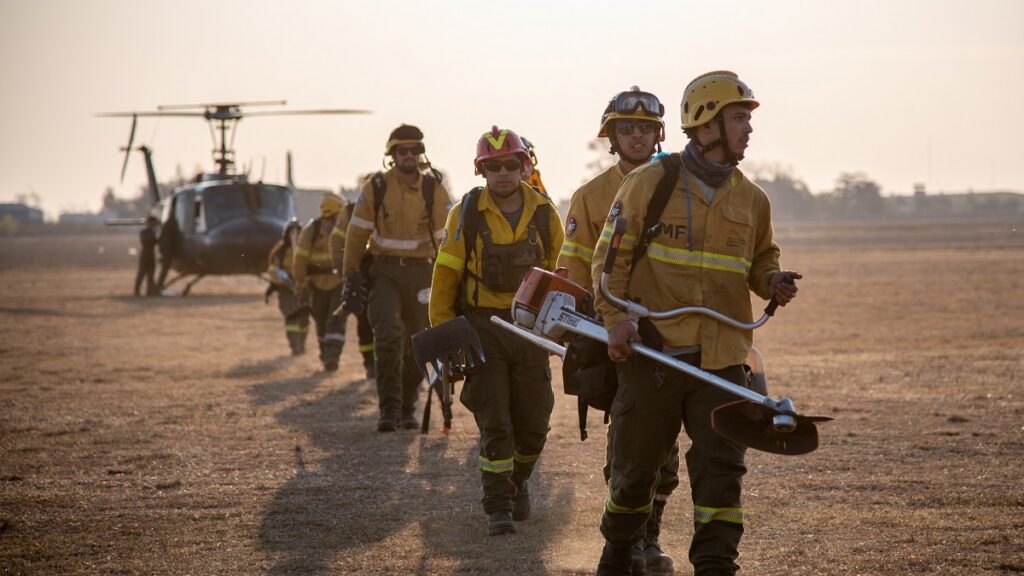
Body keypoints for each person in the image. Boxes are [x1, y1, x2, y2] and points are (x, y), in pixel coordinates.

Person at [591, 71, 801, 575]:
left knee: (722, 473)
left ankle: (715, 566)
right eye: (738, 118)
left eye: (748, 119)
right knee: (635, 473)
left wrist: (771, 280)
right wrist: (616, 322)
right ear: (705, 124)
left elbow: (760, 257)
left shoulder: (753, 199)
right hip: (655, 355)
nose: (748, 129)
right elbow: (607, 263)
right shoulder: (649, 183)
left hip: (724, 360)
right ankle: (619, 554)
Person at [557, 86, 678, 575]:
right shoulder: (590, 197)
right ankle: (629, 544)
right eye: (626, 128)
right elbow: (570, 268)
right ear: (611, 136)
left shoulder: (685, 185)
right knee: (633, 443)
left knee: (666, 446)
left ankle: (649, 535)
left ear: (659, 134)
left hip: (674, 330)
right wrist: (586, 328)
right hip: (618, 333)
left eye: (645, 128)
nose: (636, 136)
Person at [429, 126, 565, 537]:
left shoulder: (544, 212)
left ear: (525, 166)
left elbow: (565, 271)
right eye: (493, 167)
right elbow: (446, 276)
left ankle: (518, 480)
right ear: (481, 171)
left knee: (535, 421)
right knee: (496, 422)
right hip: (482, 327)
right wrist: (444, 334)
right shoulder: (464, 213)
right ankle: (498, 506)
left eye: (510, 164)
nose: (503, 173)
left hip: (529, 330)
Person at [342, 124, 452, 432]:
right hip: (384, 273)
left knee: (419, 342)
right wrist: (349, 273)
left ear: (421, 154)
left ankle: (407, 407)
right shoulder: (375, 187)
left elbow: (449, 239)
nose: (409, 156)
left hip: (421, 274)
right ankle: (388, 409)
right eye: (402, 151)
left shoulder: (434, 189)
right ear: (392, 155)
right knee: (389, 335)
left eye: (415, 150)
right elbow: (356, 233)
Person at [293, 193, 347, 372]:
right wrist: (300, 284)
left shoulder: (345, 230)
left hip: (339, 283)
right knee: (321, 321)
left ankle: (333, 356)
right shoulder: (311, 231)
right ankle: (326, 354)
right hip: (315, 285)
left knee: (336, 318)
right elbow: (299, 259)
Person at [328, 197, 375, 379]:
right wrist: (343, 267)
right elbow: (337, 239)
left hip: (392, 272)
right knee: (364, 320)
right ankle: (370, 363)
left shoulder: (404, 204)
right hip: (361, 273)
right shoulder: (350, 211)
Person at [267, 218, 309, 355]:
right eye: (292, 232)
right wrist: (281, 280)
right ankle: (295, 347)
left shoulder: (307, 249)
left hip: (303, 289)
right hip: (286, 290)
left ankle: (301, 344)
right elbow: (273, 270)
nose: (295, 235)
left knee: (303, 320)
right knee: (291, 317)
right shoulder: (279, 252)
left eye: (297, 232)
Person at [134, 216, 160, 297]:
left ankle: (149, 291)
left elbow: (156, 242)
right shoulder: (144, 232)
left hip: (151, 255)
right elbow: (146, 240)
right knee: (141, 274)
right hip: (145, 255)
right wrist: (154, 233)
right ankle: (137, 291)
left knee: (151, 275)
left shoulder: (152, 232)